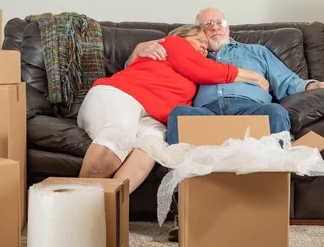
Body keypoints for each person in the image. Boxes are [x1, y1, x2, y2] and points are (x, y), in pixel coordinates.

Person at [127, 8, 324, 241]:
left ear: (229, 28)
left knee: (275, 111)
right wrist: (140, 48)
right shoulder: (190, 54)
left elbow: (290, 83)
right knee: (180, 113)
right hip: (206, 114)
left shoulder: (257, 52)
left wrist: (317, 86)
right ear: (198, 33)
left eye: (219, 22)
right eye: (207, 24)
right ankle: (186, 209)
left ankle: (269, 204)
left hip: (250, 109)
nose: (214, 27)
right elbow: (149, 68)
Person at [77, 24, 269, 194]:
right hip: (122, 95)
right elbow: (208, 70)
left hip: (154, 119)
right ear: (181, 37)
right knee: (119, 137)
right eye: (198, 40)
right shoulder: (172, 44)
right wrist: (255, 77)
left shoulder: (190, 74)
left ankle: (106, 209)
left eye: (206, 43)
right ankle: (76, 204)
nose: (204, 45)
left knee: (150, 151)